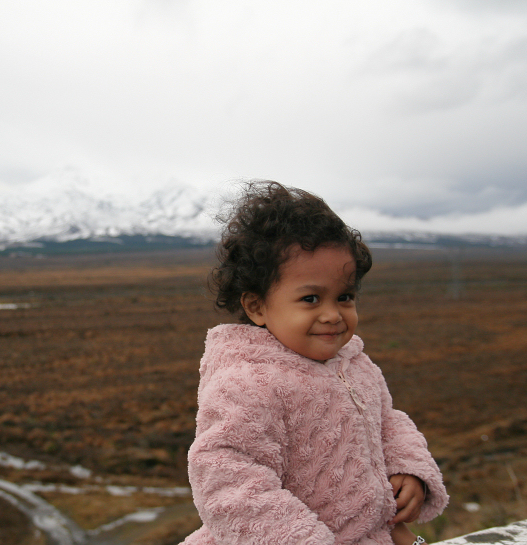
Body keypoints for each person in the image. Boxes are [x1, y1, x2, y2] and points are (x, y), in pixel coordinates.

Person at [181, 182, 448, 545]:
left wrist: (409, 470)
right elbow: (229, 482)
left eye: (345, 296)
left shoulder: (355, 365)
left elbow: (387, 422)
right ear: (257, 307)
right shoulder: (247, 384)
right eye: (310, 299)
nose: (333, 314)